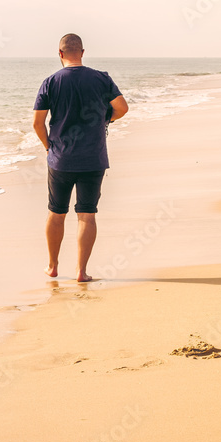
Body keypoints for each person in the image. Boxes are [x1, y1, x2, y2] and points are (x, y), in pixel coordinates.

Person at [32, 34, 128, 282]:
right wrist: (106, 119)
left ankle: (52, 266)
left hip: (60, 159)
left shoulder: (50, 82)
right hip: (93, 158)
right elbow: (122, 108)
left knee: (56, 213)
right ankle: (81, 272)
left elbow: (37, 122)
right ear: (82, 52)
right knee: (87, 214)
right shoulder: (101, 78)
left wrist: (47, 147)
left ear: (60, 54)